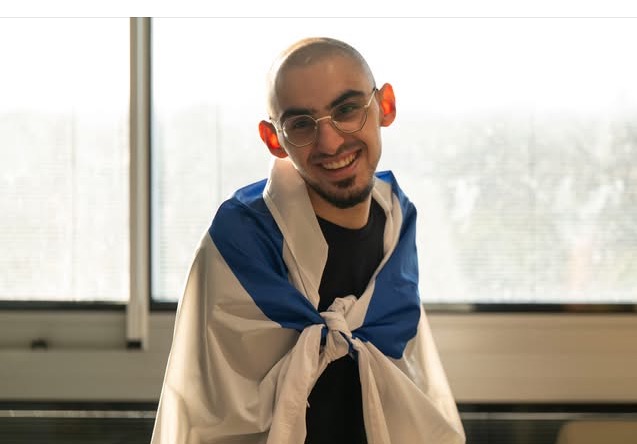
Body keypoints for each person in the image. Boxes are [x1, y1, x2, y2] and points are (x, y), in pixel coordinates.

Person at [151, 37, 465, 444]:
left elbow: (410, 368)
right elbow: (210, 410)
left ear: (385, 106)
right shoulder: (241, 242)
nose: (330, 143)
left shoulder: (397, 221)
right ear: (273, 139)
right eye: (301, 124)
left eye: (347, 110)